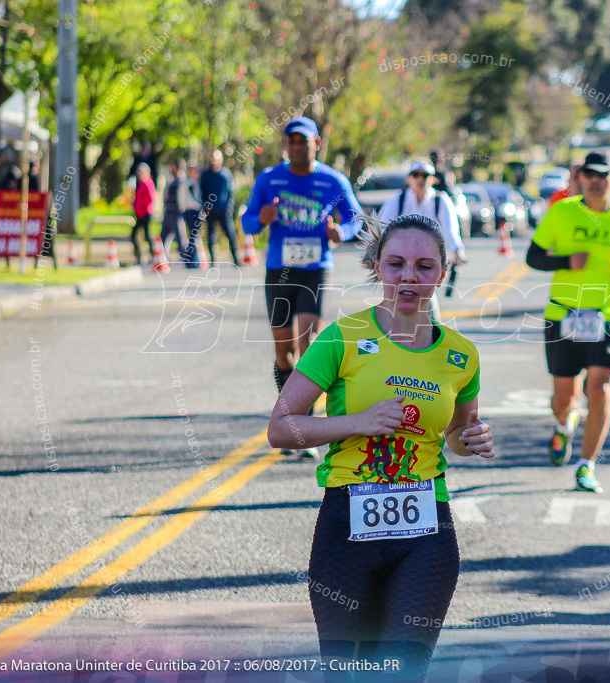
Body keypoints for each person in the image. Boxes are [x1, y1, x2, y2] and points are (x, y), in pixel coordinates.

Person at [267, 213, 494, 679]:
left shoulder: (461, 355)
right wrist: (358, 422)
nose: (409, 276)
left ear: (442, 274)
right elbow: (280, 428)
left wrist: (472, 439)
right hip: (347, 524)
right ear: (376, 266)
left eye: (425, 266)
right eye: (396, 263)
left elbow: (456, 436)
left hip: (427, 530)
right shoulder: (341, 338)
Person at [525, 150, 610, 493]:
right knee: (563, 399)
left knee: (600, 389)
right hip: (562, 314)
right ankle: (564, 426)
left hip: (605, 316)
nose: (595, 180)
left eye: (602, 175)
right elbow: (533, 256)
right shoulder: (563, 211)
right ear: (581, 179)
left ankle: (587, 465)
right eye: (589, 174)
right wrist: (566, 260)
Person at [241, 116, 363, 412]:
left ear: (317, 144)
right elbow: (248, 223)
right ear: (286, 145)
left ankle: (300, 418)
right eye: (291, 141)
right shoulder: (269, 179)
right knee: (285, 353)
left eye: (303, 141)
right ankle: (292, 412)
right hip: (279, 272)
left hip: (316, 270)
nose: (297, 147)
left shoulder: (333, 181)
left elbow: (355, 219)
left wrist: (340, 233)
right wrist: (262, 219)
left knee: (309, 345)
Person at [379, 160, 466, 320]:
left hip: (428, 259)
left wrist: (457, 250)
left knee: (426, 293)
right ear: (409, 179)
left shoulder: (441, 200)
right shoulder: (398, 200)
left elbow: (451, 230)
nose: (420, 179)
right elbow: (383, 230)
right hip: (401, 258)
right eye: (416, 175)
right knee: (399, 295)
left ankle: (434, 331)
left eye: (425, 175)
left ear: (433, 179)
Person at [200, 149, 239, 266]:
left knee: (231, 234)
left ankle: (236, 258)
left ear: (221, 160)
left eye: (216, 159)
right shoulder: (206, 175)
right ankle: (213, 260)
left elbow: (230, 192)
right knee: (211, 236)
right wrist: (206, 206)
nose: (214, 161)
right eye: (212, 159)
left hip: (224, 211)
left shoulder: (226, 174)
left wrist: (229, 207)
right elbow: (202, 192)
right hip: (211, 210)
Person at [160, 159, 189, 262]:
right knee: (163, 237)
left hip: (176, 212)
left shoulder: (182, 181)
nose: (171, 168)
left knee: (180, 237)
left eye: (172, 166)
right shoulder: (172, 180)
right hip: (168, 211)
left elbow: (181, 197)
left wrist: (170, 198)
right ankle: (161, 256)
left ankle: (185, 258)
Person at [131, 163, 157, 265]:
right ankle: (140, 255)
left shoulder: (148, 183)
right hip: (140, 213)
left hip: (146, 213)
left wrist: (141, 205)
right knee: (134, 235)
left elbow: (150, 198)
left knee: (147, 235)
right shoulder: (140, 184)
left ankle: (153, 254)